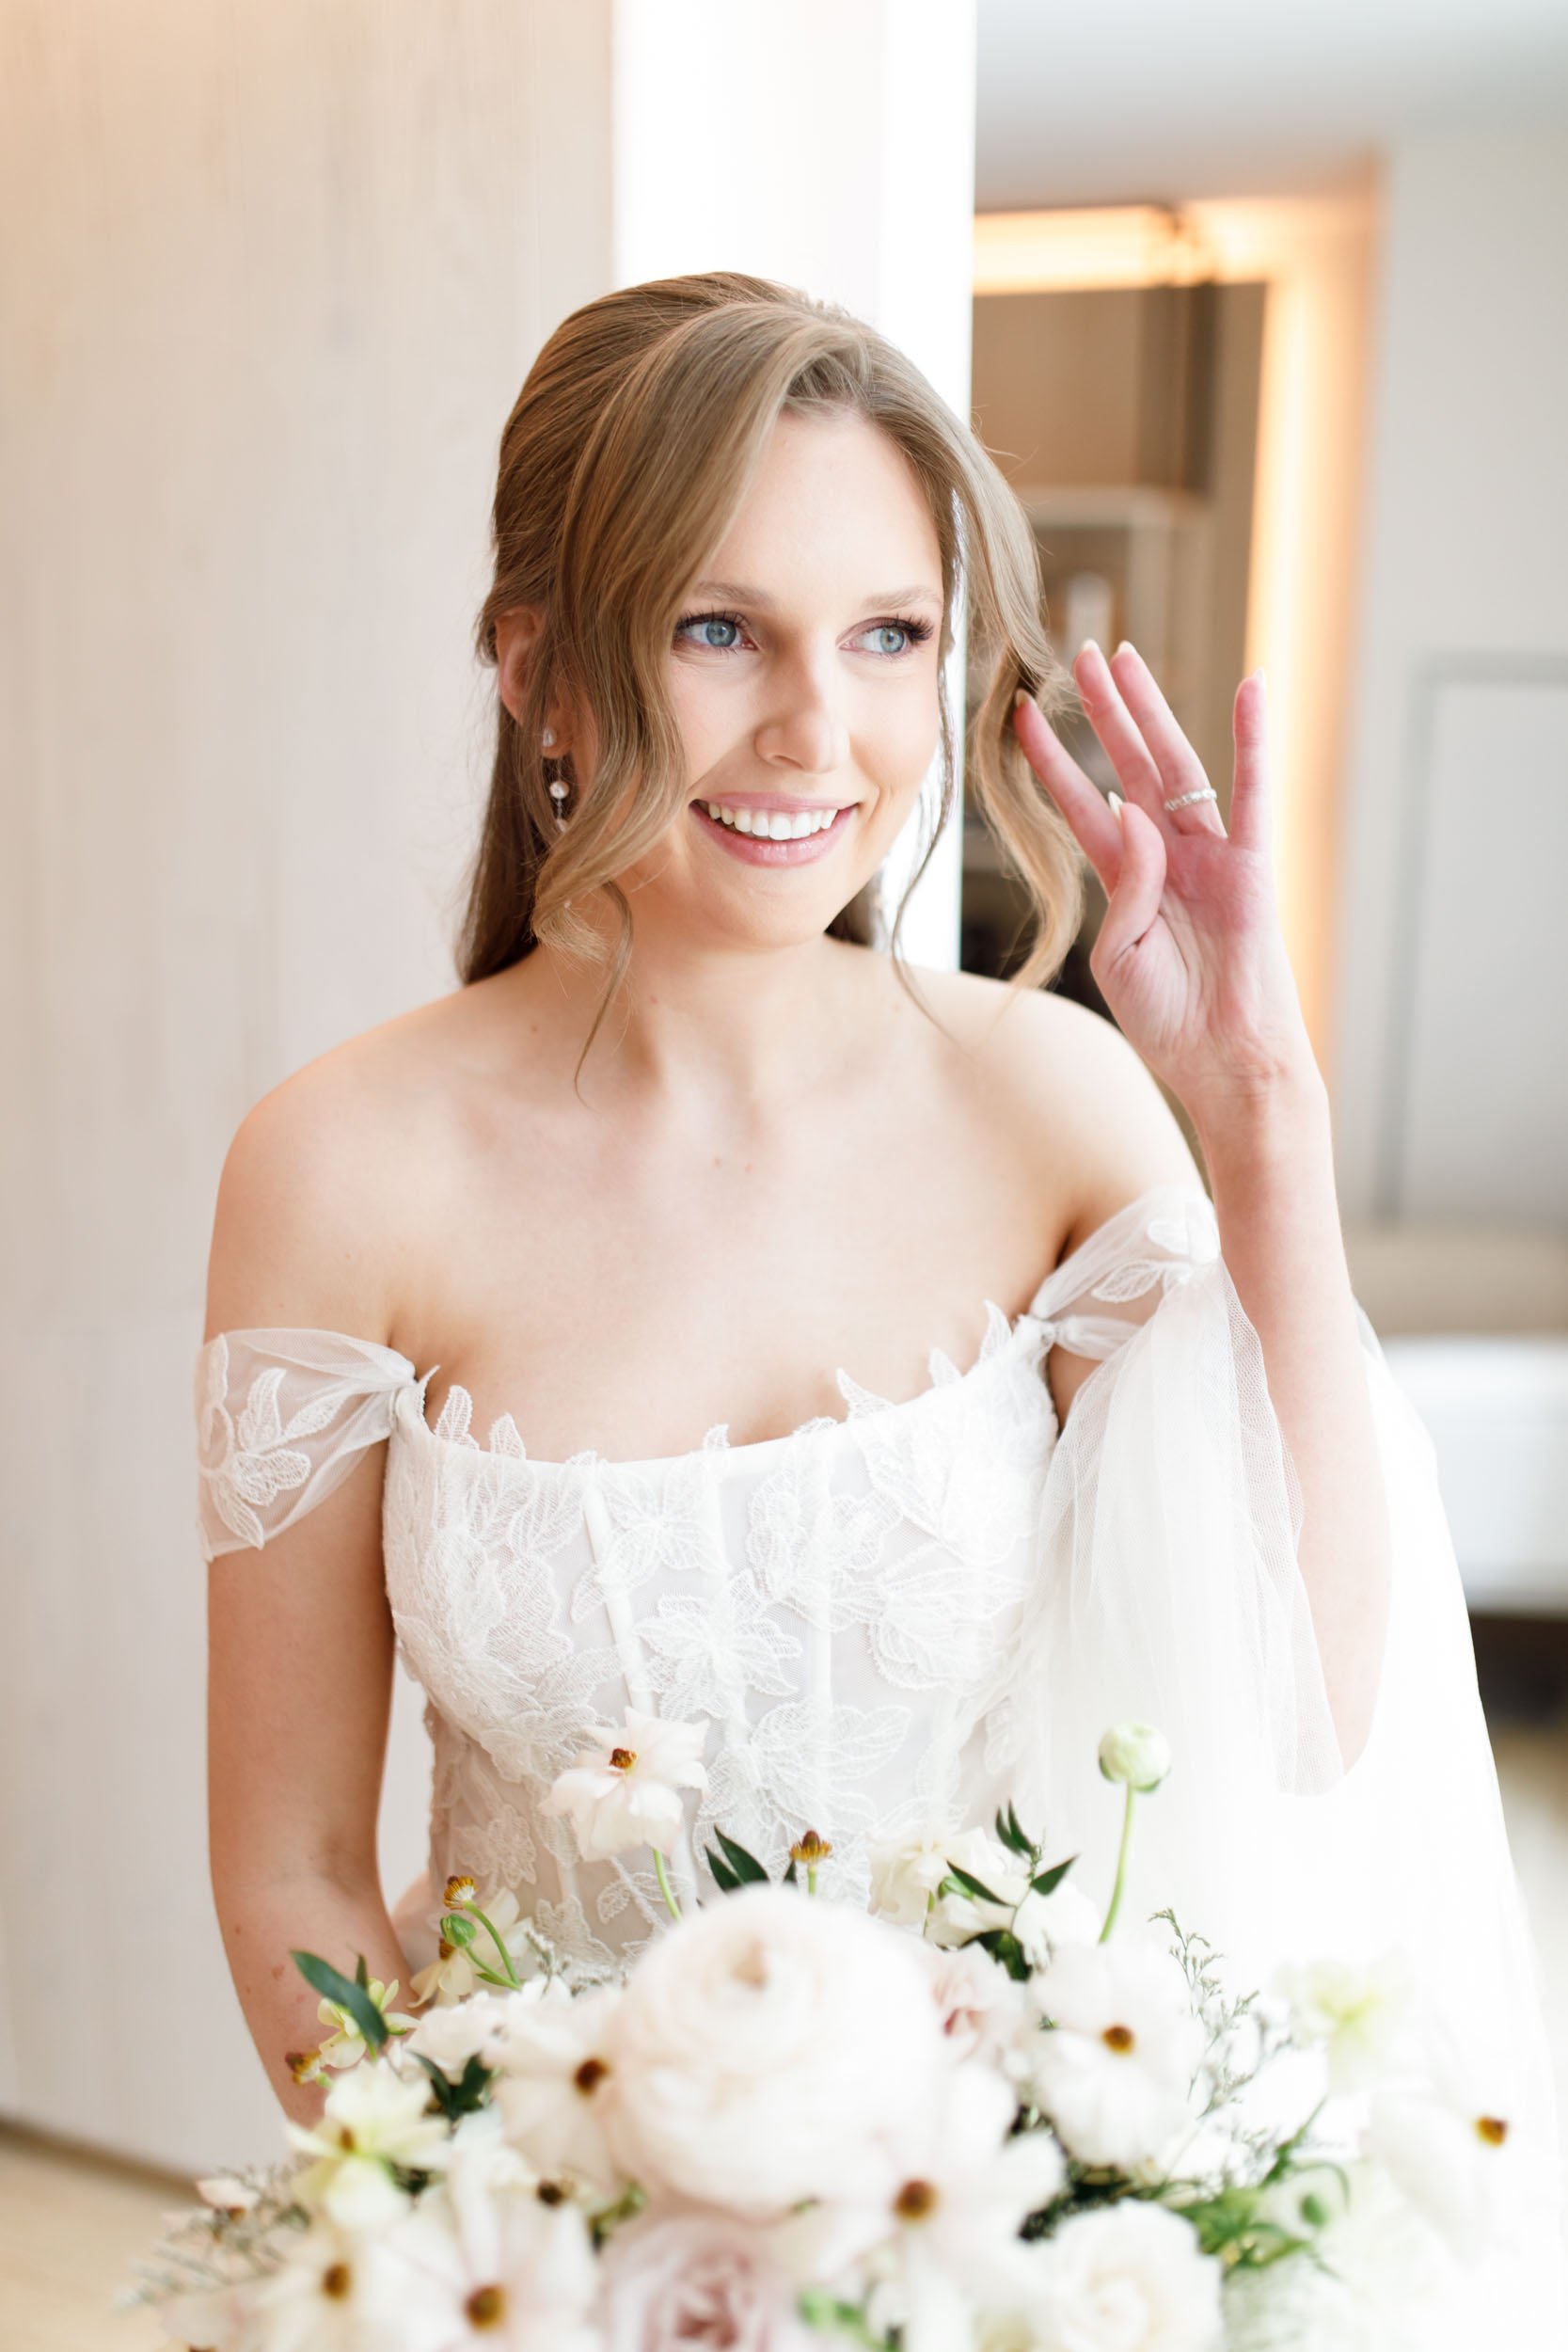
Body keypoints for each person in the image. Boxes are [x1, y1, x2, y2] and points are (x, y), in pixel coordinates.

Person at [195, 273, 1562, 2333]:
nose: (810, 735)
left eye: (887, 636)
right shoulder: (340, 1163)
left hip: (1000, 2241)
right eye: (717, 627)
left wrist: (1262, 1113)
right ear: (540, 669)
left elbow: (1303, 1694)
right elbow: (292, 1864)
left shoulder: (1051, 1099)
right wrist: (477, 2254)